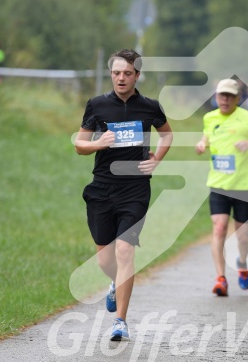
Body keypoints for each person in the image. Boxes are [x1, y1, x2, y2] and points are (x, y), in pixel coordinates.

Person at [74, 49, 173, 341]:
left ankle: (120, 322)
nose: (121, 78)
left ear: (137, 75)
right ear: (111, 74)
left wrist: (158, 158)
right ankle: (115, 282)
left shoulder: (150, 107)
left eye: (127, 73)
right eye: (116, 73)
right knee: (106, 260)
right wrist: (99, 143)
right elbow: (79, 144)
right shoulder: (97, 105)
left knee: (125, 251)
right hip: (102, 187)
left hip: (136, 187)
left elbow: (167, 134)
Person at [195, 79, 248, 296]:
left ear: (237, 98)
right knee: (219, 228)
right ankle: (220, 278)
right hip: (218, 185)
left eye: (230, 96)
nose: (225, 100)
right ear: (216, 97)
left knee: (243, 237)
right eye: (222, 95)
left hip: (243, 186)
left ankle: (242, 262)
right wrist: (202, 144)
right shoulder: (209, 118)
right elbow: (207, 138)